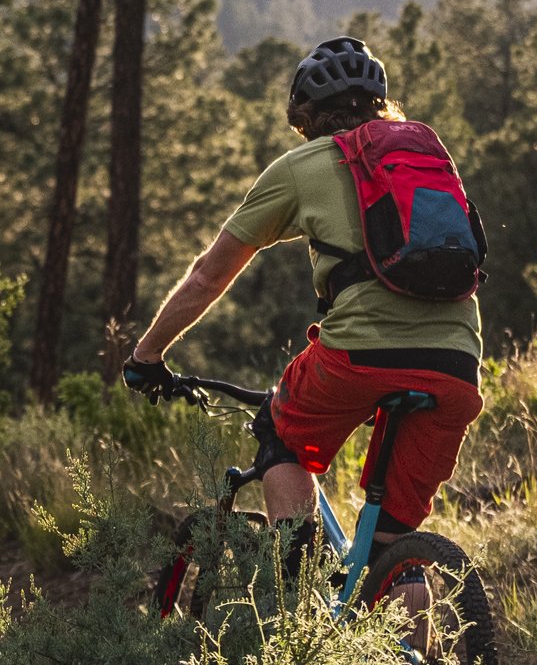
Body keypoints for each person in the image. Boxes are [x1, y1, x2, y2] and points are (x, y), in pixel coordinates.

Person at [121, 36, 483, 552]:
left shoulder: (303, 166)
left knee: (279, 435)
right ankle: (396, 585)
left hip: (357, 356)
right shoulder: (425, 153)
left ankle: (294, 594)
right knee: (393, 548)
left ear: (306, 115)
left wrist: (148, 355)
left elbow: (208, 276)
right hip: (457, 364)